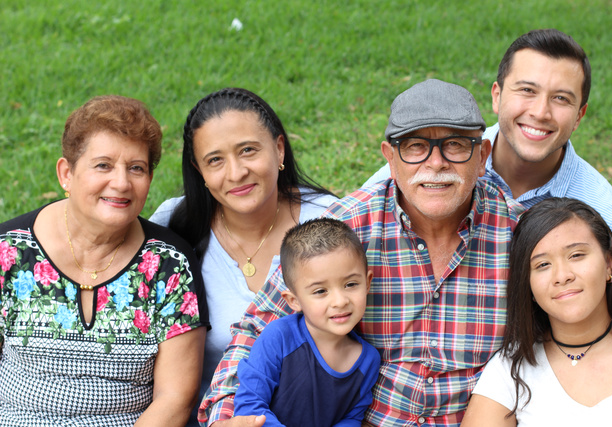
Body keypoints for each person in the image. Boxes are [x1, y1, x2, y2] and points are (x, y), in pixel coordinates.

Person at [199, 79, 522, 426]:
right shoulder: (348, 226)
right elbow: (258, 328)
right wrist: (226, 416)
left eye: (456, 145)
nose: (436, 163)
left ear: (483, 156)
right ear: (390, 158)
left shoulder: (519, 236)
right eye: (415, 146)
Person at [362, 29, 612, 294]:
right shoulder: (437, 161)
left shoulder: (609, 215)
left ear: (579, 116)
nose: (541, 112)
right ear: (497, 96)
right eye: (527, 91)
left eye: (560, 98)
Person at [0, 95, 208, 426]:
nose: (122, 183)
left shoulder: (168, 264)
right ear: (66, 173)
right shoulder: (8, 252)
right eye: (103, 165)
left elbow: (175, 399)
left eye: (136, 168)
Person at [149, 88, 337, 427]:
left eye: (248, 150)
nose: (236, 173)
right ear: (199, 170)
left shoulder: (331, 222)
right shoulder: (173, 228)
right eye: (215, 160)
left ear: (279, 148)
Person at [461, 197, 612, 426]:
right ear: (529, 285)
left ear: (608, 264)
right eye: (542, 265)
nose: (562, 276)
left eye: (576, 255)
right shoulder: (510, 370)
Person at [234, 218, 380, 426]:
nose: (340, 301)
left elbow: (351, 417)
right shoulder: (279, 337)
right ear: (294, 300)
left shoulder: (368, 361)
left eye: (350, 284)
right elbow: (250, 405)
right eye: (320, 291)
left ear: (367, 282)